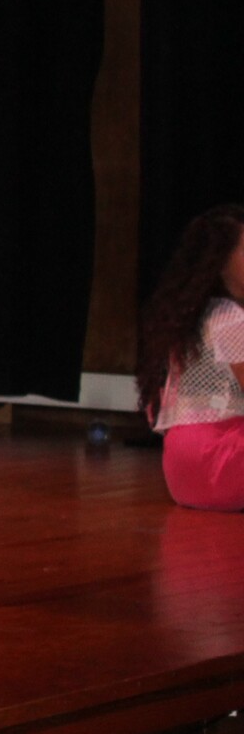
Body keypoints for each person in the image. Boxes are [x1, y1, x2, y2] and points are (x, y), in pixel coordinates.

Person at [138, 204, 244, 512]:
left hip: (182, 470)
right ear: (220, 262)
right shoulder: (230, 320)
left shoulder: (198, 316)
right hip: (217, 462)